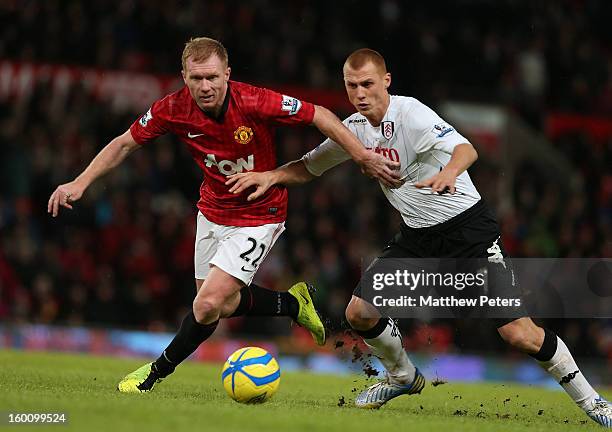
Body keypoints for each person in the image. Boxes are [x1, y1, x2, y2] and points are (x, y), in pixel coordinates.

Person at [225, 48, 612, 427]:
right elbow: (310, 167)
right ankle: (403, 377)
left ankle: (593, 402)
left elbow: (466, 148)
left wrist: (448, 173)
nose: (359, 94)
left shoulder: (410, 113)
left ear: (386, 81)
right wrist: (272, 176)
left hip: (468, 234)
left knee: (518, 333)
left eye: (367, 84)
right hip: (417, 236)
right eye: (351, 86)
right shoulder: (354, 130)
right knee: (359, 312)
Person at [47, 38, 402, 394]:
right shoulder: (172, 108)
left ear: (227, 75)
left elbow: (320, 115)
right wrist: (81, 182)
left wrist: (362, 156)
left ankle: (152, 375)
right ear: (183, 77)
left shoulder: (254, 100)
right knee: (222, 304)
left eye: (213, 77)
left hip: (260, 213)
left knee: (206, 305)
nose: (205, 87)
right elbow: (125, 142)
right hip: (212, 212)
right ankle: (293, 303)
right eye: (196, 78)